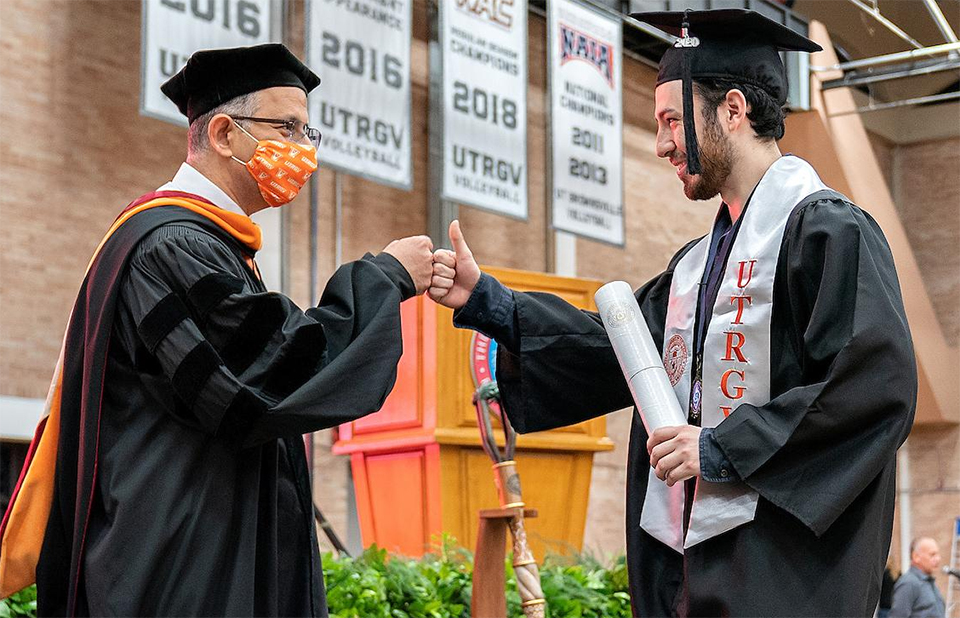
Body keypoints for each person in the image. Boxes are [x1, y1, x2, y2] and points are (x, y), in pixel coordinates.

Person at [429, 8, 916, 616]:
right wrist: (488, 301)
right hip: (688, 575)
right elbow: (615, 352)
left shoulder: (828, 234)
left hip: (781, 575)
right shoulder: (694, 267)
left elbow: (871, 387)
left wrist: (722, 446)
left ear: (733, 110)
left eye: (670, 120)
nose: (661, 143)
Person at [0, 44, 435, 616]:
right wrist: (385, 278)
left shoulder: (206, 244)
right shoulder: (173, 244)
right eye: (288, 127)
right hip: (177, 561)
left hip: (197, 544)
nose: (305, 151)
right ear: (226, 134)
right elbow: (266, 378)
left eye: (309, 132)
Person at [891, 538, 946, 618]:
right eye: (932, 554)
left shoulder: (929, 582)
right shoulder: (908, 583)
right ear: (916, 557)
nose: (938, 559)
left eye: (938, 554)